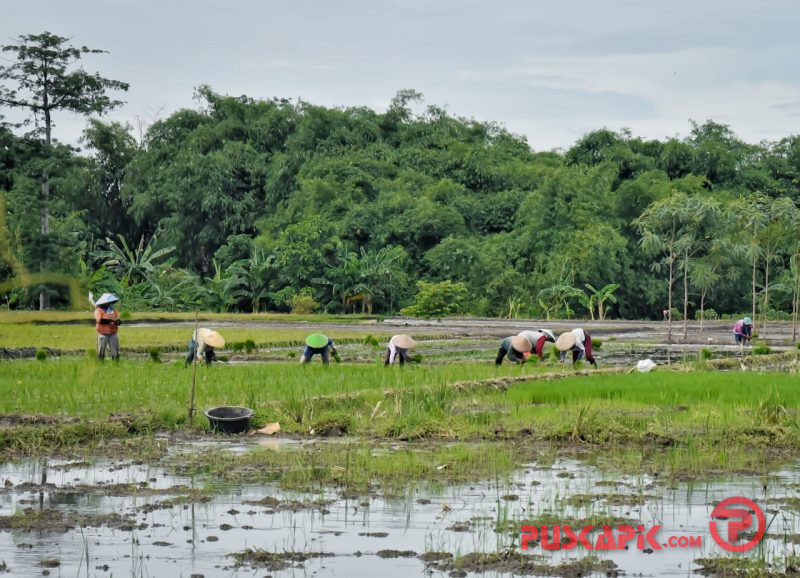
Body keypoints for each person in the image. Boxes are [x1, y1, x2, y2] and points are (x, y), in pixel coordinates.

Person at [91, 292, 121, 361]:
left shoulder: (113, 310)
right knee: (101, 351)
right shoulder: (98, 310)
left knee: (115, 351)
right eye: (109, 302)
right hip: (103, 334)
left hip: (113, 334)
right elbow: (100, 320)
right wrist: (111, 321)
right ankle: (100, 364)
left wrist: (118, 322)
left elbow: (116, 319)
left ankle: (116, 365)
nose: (110, 303)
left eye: (111, 302)